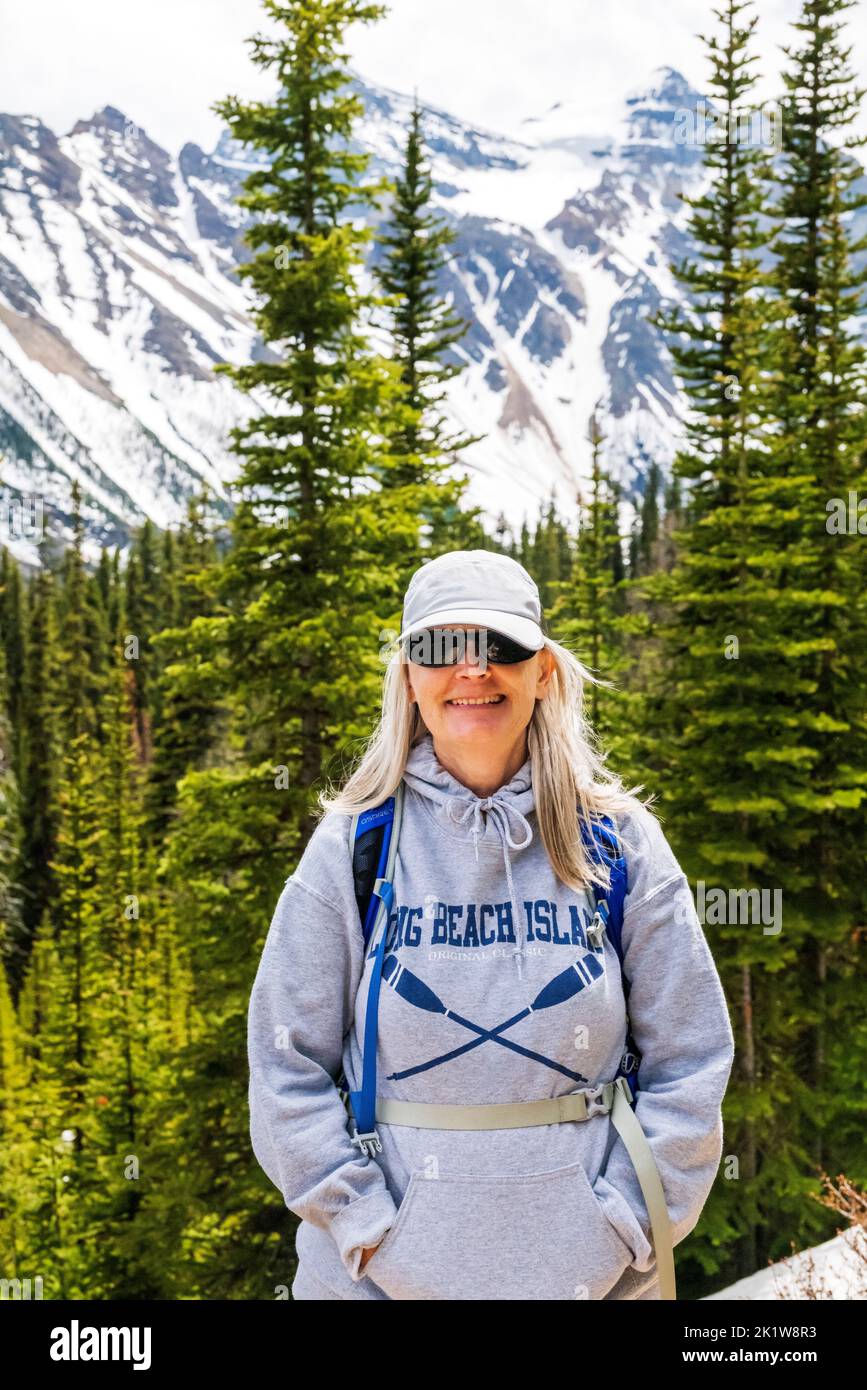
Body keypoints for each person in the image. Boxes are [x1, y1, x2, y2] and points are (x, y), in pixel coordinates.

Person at [247, 549, 736, 1301]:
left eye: (500, 647)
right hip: (368, 1284)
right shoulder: (352, 846)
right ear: (409, 677)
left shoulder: (618, 842)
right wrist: (367, 1227)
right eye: (441, 647)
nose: (472, 670)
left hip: (596, 1285)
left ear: (542, 673)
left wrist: (622, 1227)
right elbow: (286, 1065)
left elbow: (690, 1058)